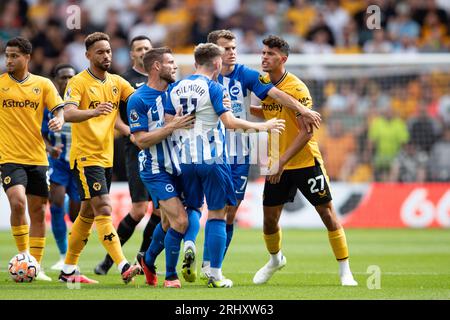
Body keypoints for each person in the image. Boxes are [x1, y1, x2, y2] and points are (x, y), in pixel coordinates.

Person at [200, 30, 322, 279]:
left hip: (240, 153)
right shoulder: (201, 80)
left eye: (234, 47)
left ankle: (212, 269)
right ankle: (178, 265)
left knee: (230, 211)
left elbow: (275, 94)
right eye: (226, 48)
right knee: (204, 208)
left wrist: (302, 110)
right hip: (210, 151)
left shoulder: (245, 74)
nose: (232, 52)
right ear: (214, 52)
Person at [167, 43, 285, 288]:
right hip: (212, 159)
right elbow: (230, 123)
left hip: (185, 160)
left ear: (195, 61)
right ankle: (215, 274)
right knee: (219, 214)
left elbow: (170, 121)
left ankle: (189, 243)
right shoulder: (215, 87)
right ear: (217, 64)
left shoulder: (176, 86)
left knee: (193, 207)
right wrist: (262, 127)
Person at [251, 35, 358, 286]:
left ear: (283, 59)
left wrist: (282, 162)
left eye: (270, 54)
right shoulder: (263, 83)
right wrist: (239, 110)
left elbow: (307, 131)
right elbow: (267, 112)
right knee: (269, 220)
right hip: (279, 162)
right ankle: (275, 260)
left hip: (304, 161)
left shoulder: (297, 88)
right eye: (263, 52)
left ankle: (345, 271)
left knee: (327, 213)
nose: (264, 57)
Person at [58, 32, 141, 284]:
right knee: (104, 208)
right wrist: (94, 111)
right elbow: (69, 114)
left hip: (106, 157)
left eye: (109, 51)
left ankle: (68, 270)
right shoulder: (78, 83)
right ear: (88, 56)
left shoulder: (117, 82)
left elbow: (140, 97)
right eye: (100, 52)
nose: (106, 55)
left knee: (87, 215)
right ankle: (123, 265)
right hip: (86, 156)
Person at [94, 35, 163, 276]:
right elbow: (114, 116)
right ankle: (109, 259)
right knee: (138, 209)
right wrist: (131, 134)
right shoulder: (124, 80)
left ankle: (142, 258)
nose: (143, 52)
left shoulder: (161, 79)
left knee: (159, 211)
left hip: (159, 150)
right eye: (139, 49)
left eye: (147, 48)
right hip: (135, 150)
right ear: (132, 54)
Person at [128, 47, 195, 288]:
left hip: (177, 165)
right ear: (157, 66)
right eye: (171, 62)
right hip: (155, 168)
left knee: (167, 224)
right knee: (180, 221)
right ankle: (171, 276)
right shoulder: (138, 99)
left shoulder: (175, 93)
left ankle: (146, 260)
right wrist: (172, 126)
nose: (175, 66)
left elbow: (188, 118)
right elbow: (141, 140)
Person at [0, 37, 65, 281]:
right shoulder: (0, 85)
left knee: (38, 211)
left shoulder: (43, 84)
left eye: (14, 55)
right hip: (9, 157)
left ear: (27, 57)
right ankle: (23, 258)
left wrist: (59, 119)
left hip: (37, 157)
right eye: (7, 55)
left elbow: (59, 108)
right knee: (17, 202)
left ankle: (35, 267)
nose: (9, 60)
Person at [41, 63, 80, 271]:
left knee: (76, 214)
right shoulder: (48, 105)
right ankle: (63, 256)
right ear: (56, 80)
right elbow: (41, 134)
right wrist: (49, 149)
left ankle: (72, 256)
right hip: (58, 163)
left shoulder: (80, 100)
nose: (67, 81)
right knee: (55, 203)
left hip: (79, 162)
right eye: (63, 77)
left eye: (70, 77)